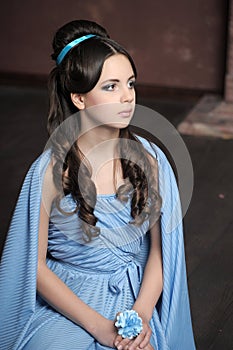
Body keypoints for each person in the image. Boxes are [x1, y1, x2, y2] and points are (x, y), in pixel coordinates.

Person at [0, 20, 196, 350]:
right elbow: (32, 266)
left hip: (135, 295)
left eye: (130, 84)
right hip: (71, 300)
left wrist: (141, 317)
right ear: (79, 98)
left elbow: (163, 254)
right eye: (110, 87)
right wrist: (101, 328)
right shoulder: (50, 172)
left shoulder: (150, 161)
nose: (127, 97)